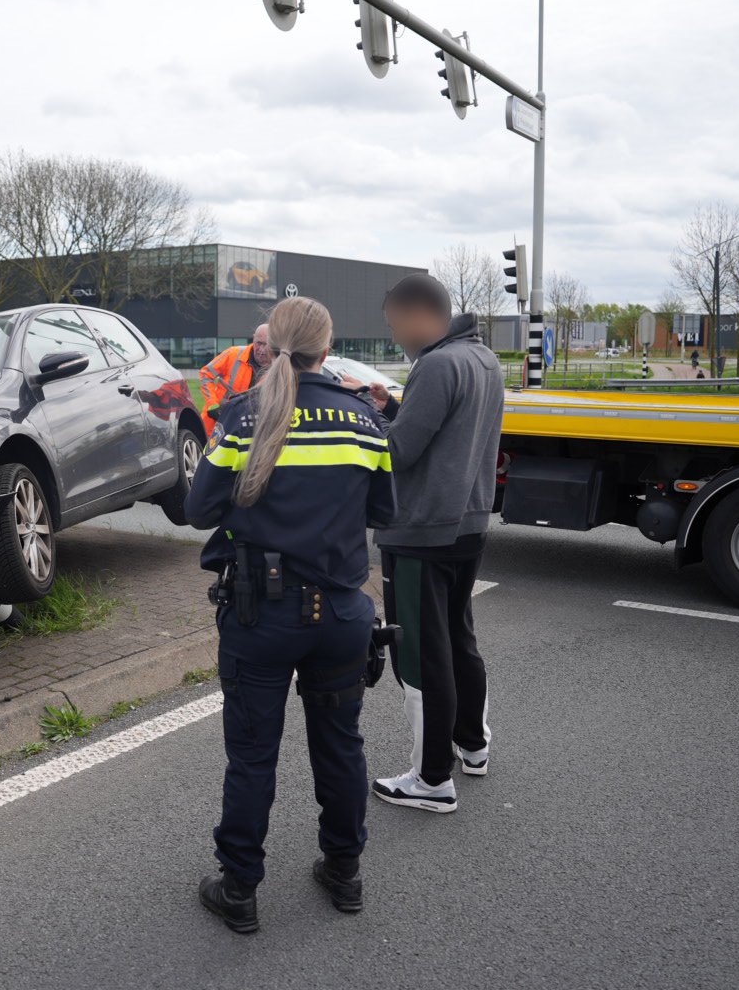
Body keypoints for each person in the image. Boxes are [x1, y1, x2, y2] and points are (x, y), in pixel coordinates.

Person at [186, 296, 397, 934]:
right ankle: (344, 871)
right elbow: (383, 514)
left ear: (268, 349)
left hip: (261, 617)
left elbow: (198, 509)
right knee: (341, 747)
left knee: (252, 755)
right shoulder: (365, 423)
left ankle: (240, 889)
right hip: (339, 615)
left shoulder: (243, 417)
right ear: (327, 351)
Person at [347, 274, 503, 814]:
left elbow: (400, 453)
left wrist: (362, 424)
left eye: (395, 327)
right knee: (459, 638)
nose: (396, 340)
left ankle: (432, 778)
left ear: (419, 315)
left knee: (419, 655)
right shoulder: (480, 357)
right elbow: (443, 433)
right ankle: (473, 746)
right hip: (467, 523)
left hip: (421, 530)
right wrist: (392, 404)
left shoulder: (436, 365)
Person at [197, 324, 272, 437]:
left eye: (266, 344)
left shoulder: (280, 363)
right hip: (218, 422)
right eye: (259, 343)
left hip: (256, 428)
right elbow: (206, 373)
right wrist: (212, 403)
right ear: (253, 338)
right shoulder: (233, 354)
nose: (261, 350)